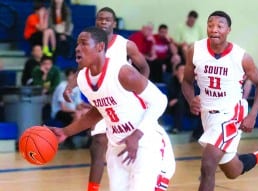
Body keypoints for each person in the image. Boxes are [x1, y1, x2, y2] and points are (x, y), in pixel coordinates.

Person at [63, 7, 174, 191]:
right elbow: (96, 104)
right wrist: (65, 131)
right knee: (98, 143)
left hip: (143, 135)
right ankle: (93, 186)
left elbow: (153, 86)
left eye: (107, 19)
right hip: (113, 125)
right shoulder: (84, 75)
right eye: (100, 19)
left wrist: (140, 90)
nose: (77, 48)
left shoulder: (124, 58)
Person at [181, 10, 258, 191]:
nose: (214, 29)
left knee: (208, 165)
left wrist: (253, 115)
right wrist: (190, 98)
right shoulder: (195, 50)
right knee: (233, 170)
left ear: (228, 30)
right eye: (210, 25)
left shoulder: (241, 57)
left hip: (230, 114)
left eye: (219, 26)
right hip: (207, 114)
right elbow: (186, 81)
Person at [51, 67, 90, 149]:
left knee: (88, 113)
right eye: (71, 75)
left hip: (71, 111)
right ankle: (69, 139)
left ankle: (90, 139)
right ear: (67, 76)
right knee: (78, 114)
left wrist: (91, 107)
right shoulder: (62, 86)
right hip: (59, 112)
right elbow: (63, 107)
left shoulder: (77, 88)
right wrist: (77, 111)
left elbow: (79, 104)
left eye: (74, 75)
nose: (73, 77)